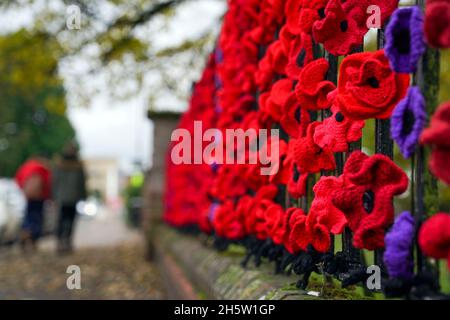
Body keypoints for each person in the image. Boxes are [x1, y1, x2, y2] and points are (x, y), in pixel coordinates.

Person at [52, 142, 87, 254]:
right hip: (72, 197)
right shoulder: (78, 165)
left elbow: (55, 181)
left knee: (62, 220)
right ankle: (66, 241)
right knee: (69, 220)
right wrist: (83, 196)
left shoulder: (59, 164)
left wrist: (53, 195)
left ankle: (62, 241)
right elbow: (82, 182)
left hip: (63, 197)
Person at [15, 157, 51, 252]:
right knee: (37, 218)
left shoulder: (26, 167)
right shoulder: (42, 169)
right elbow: (48, 182)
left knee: (28, 216)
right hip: (39, 198)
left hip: (29, 197)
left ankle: (25, 234)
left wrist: (24, 190)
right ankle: (32, 238)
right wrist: (48, 196)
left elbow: (18, 179)